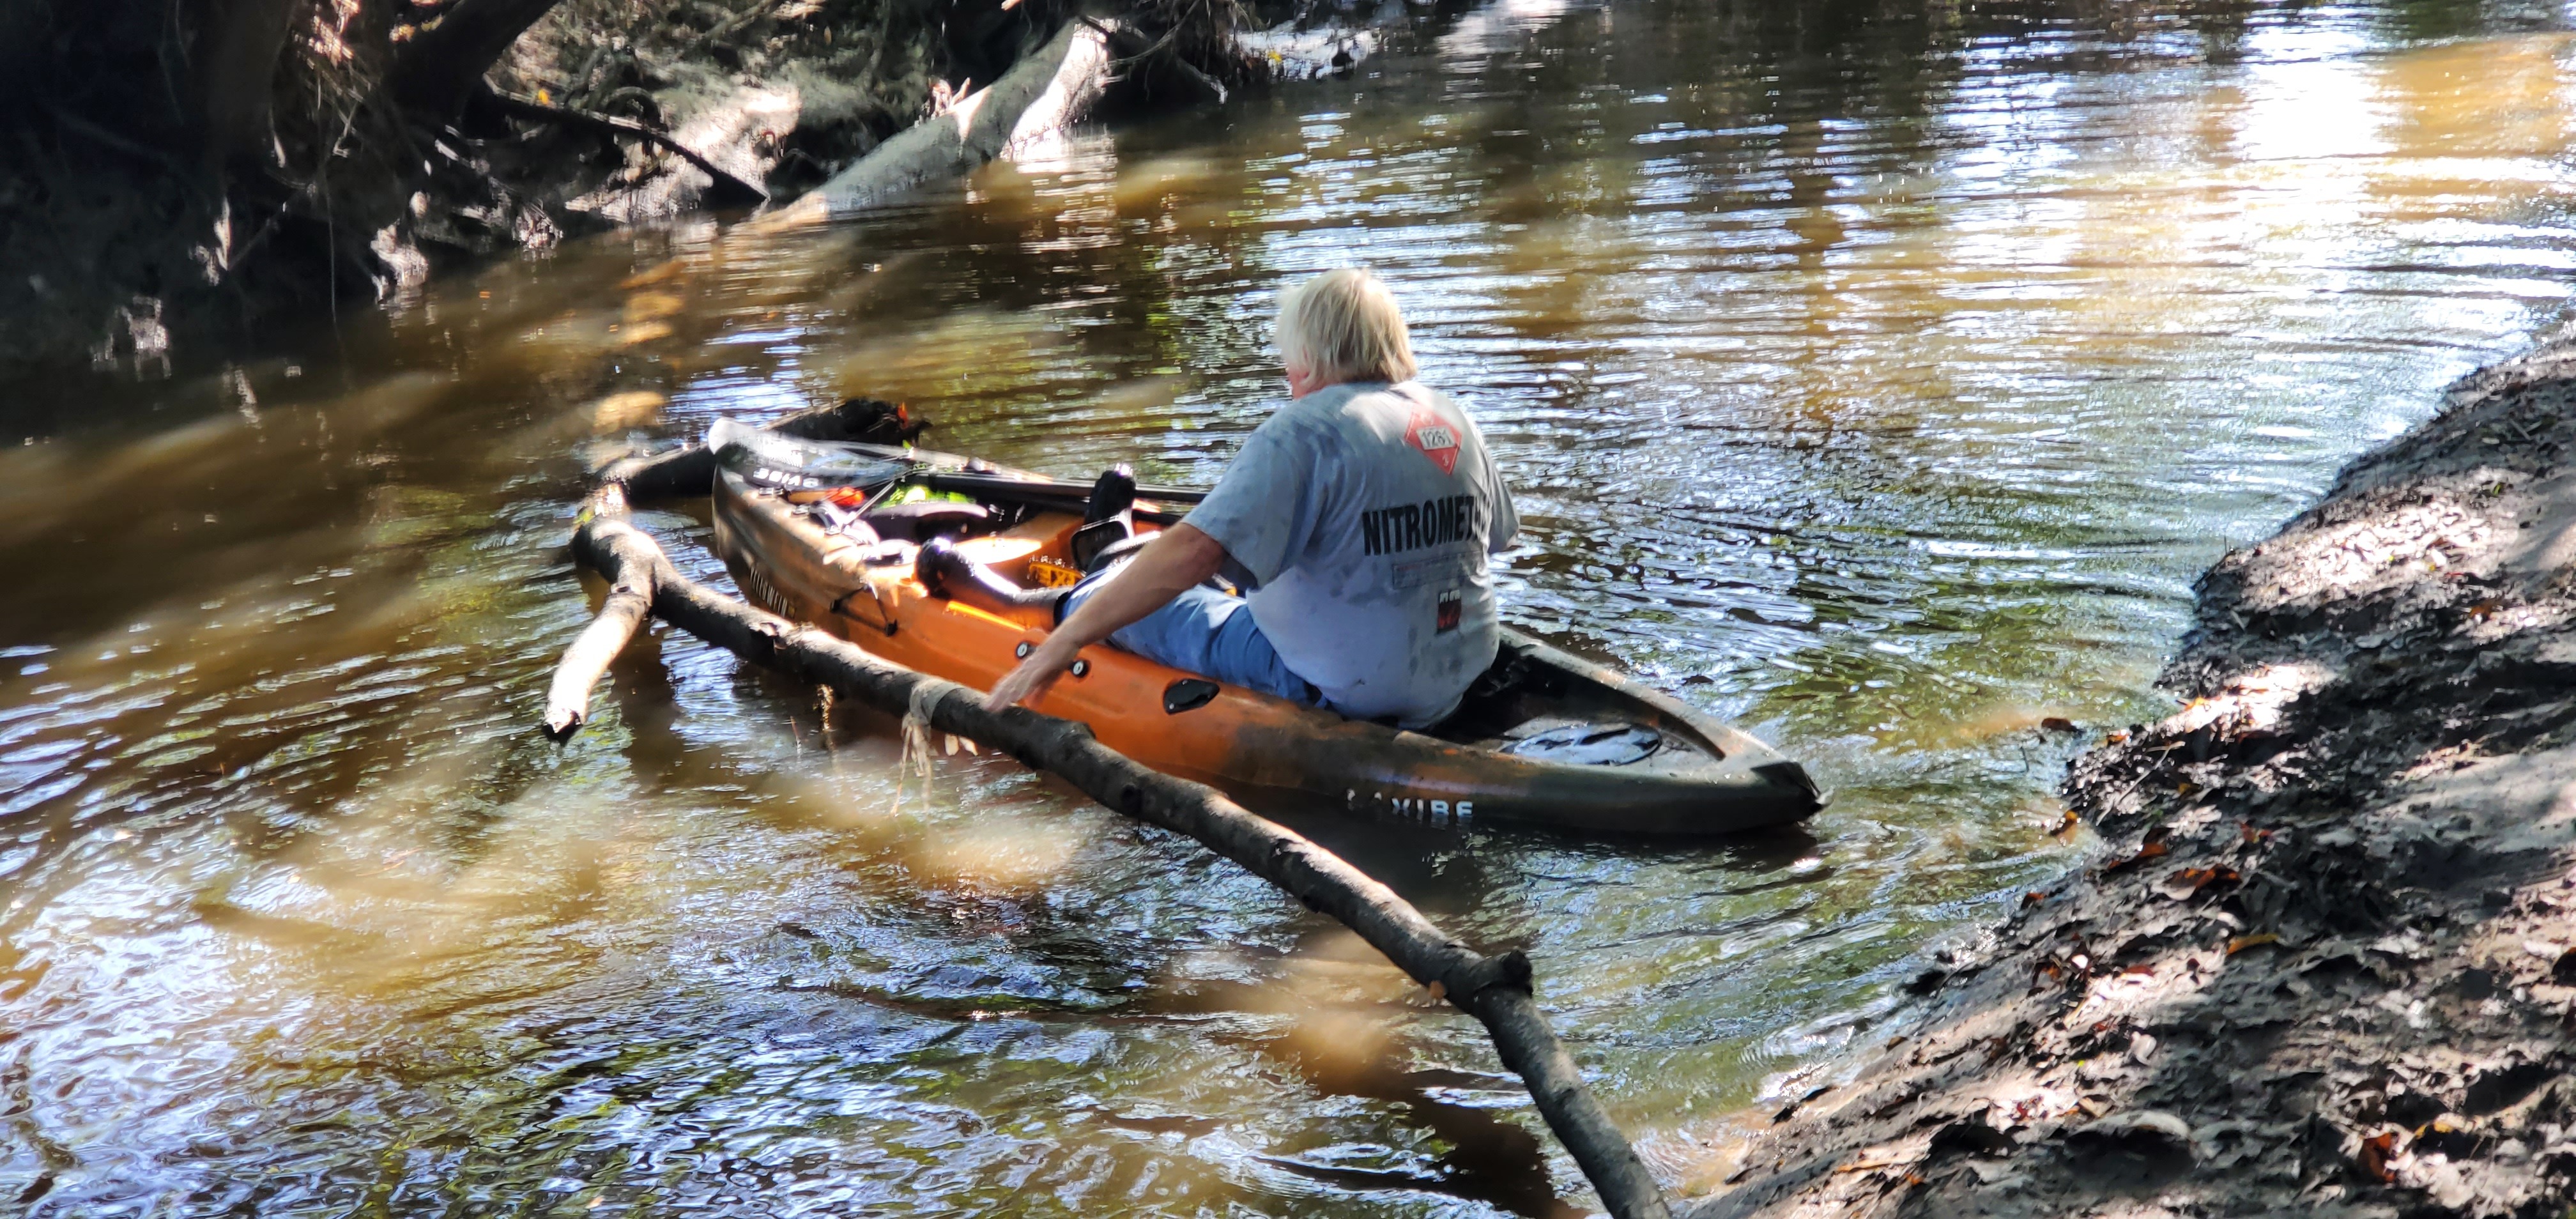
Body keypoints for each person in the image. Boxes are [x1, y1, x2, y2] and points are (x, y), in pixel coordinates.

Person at [963, 267, 1519, 726]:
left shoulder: (1303, 430)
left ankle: (1029, 601)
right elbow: (1490, 543)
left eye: (1290, 358)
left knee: (1107, 604)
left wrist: (1069, 643)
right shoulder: (1453, 416)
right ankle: (1118, 553)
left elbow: (1192, 553)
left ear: (1312, 355)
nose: (1287, 373)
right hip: (1457, 675)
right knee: (1246, 565)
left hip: (1348, 689)